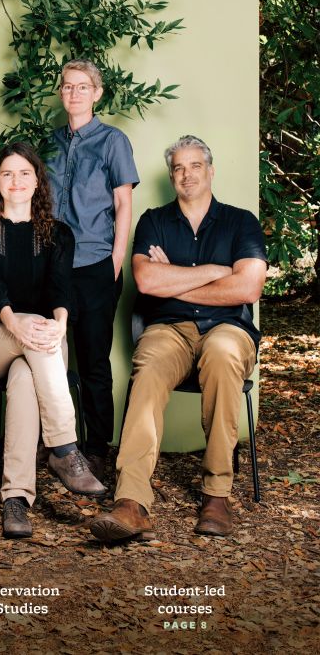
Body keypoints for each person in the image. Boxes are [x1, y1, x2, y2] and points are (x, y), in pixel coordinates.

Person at [90, 135, 267, 541]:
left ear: (210, 170)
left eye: (195, 166)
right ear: (172, 175)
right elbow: (146, 280)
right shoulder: (153, 220)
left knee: (223, 356)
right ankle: (131, 502)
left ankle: (217, 495)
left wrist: (175, 282)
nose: (187, 175)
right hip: (168, 330)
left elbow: (248, 289)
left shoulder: (241, 222)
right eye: (178, 168)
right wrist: (217, 270)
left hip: (227, 328)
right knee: (148, 368)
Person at [0, 142, 105, 540]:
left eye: (24, 173)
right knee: (35, 338)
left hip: (38, 345)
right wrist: (15, 322)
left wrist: (60, 323)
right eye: (7, 174)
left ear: (37, 181)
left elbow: (61, 290)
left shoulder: (59, 235)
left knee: (23, 378)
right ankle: (65, 448)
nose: (16, 181)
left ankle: (14, 499)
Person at [48, 59, 139, 483]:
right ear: (61, 92)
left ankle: (97, 447)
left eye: (83, 87)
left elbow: (123, 205)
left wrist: (115, 261)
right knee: (53, 360)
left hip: (95, 264)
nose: (74, 93)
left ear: (97, 93)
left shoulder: (112, 141)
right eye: (68, 87)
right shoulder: (49, 144)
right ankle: (59, 447)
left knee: (94, 362)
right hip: (54, 267)